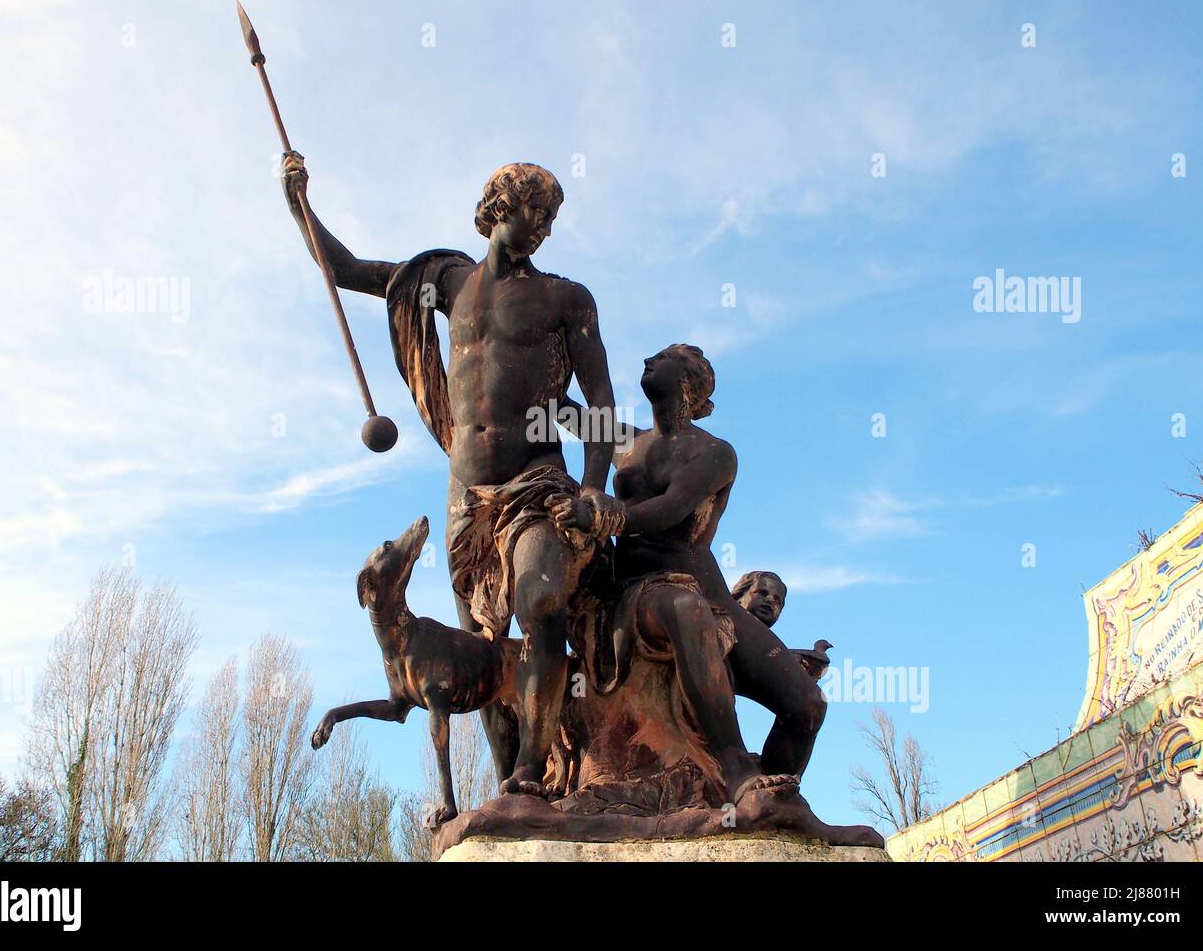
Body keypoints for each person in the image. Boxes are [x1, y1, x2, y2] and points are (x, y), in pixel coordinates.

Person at [281, 156, 616, 796]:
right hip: (468, 494)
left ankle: (532, 768)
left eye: (552, 216)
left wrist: (595, 486)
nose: (544, 226)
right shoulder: (447, 284)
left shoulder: (566, 299)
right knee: (480, 647)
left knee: (541, 602)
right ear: (497, 207)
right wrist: (301, 206)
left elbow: (599, 403)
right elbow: (347, 272)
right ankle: (509, 787)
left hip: (538, 484)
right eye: (534, 210)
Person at [549, 344, 827, 800]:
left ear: (689, 381)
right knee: (685, 609)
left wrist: (608, 516)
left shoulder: (716, 453)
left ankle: (767, 807)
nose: (646, 361)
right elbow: (564, 411)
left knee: (808, 706)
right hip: (641, 587)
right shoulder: (625, 441)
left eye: (662, 358)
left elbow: (672, 508)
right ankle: (736, 769)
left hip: (706, 588)